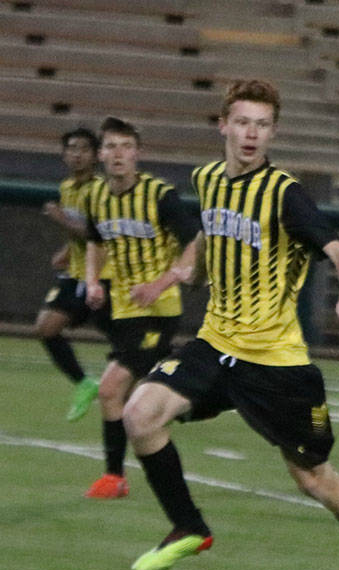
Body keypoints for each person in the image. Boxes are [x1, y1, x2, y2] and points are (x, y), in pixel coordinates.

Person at [119, 79, 339, 570]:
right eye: (243, 122)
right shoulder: (207, 180)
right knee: (139, 414)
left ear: (272, 131)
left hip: (276, 364)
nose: (251, 133)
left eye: (262, 124)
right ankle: (189, 526)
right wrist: (181, 274)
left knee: (313, 480)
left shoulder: (285, 194)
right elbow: (209, 236)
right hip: (214, 344)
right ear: (223, 126)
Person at [79, 118, 200, 499]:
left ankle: (114, 477)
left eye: (125, 147)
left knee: (111, 388)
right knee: (144, 389)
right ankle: (199, 389)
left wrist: (161, 283)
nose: (118, 155)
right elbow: (95, 243)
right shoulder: (95, 196)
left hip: (160, 308)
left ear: (138, 153)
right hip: (125, 309)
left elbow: (195, 243)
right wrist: (94, 282)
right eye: (111, 147)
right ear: (101, 154)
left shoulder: (160, 195)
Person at [35, 127, 110, 422]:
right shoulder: (67, 187)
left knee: (131, 342)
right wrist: (66, 251)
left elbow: (96, 232)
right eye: (72, 149)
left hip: (105, 275)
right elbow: (79, 234)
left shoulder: (100, 190)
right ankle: (84, 383)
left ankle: (164, 392)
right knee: (46, 327)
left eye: (84, 149)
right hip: (77, 274)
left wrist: (60, 219)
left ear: (95, 156)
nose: (77, 154)